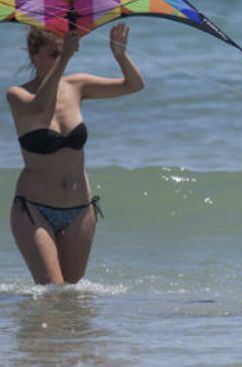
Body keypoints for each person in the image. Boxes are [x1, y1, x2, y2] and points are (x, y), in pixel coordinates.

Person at [7, 23, 144, 285]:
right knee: (51, 289)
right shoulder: (17, 94)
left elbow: (134, 86)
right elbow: (39, 107)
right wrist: (66, 58)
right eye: (53, 54)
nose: (61, 59)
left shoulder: (77, 86)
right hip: (34, 208)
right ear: (34, 55)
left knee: (71, 296)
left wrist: (120, 56)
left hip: (80, 209)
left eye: (64, 53)